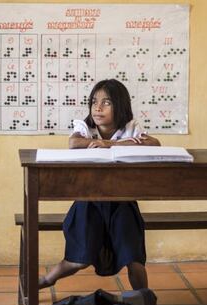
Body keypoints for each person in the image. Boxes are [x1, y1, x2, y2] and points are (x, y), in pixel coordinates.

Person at [39, 79, 161, 291]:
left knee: (134, 258)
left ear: (120, 106)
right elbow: (74, 143)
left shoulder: (131, 128)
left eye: (107, 103)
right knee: (78, 260)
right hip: (89, 203)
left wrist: (110, 144)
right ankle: (47, 279)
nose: (98, 107)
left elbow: (154, 143)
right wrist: (107, 144)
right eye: (94, 101)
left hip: (122, 203)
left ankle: (143, 297)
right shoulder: (86, 128)